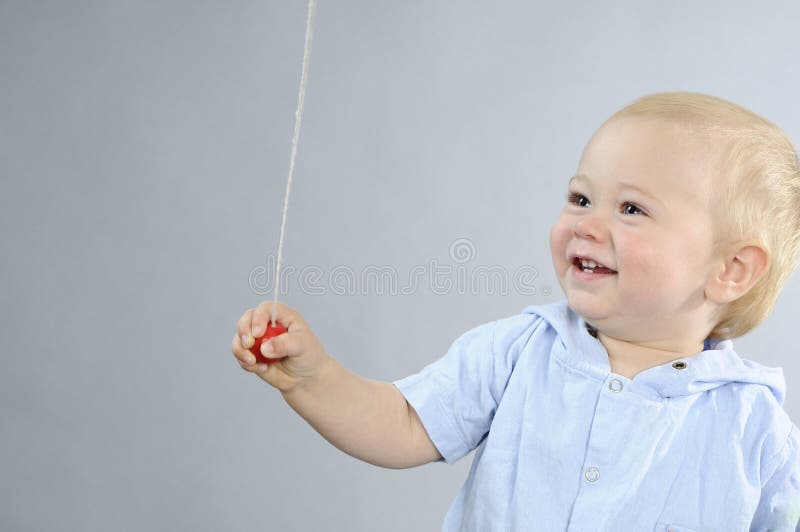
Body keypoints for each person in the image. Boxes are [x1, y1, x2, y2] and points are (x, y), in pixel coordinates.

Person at [231, 92, 800, 531]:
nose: (587, 223)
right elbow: (404, 424)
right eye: (580, 198)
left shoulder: (753, 427)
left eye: (631, 208)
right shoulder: (519, 351)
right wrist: (315, 379)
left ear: (731, 270)